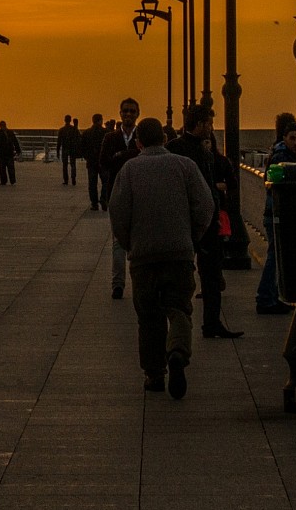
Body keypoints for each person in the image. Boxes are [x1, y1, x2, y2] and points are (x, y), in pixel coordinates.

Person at [110, 115, 214, 397]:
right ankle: (178, 351)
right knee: (179, 308)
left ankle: (154, 374)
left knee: (148, 316)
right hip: (179, 253)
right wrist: (192, 237)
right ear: (165, 139)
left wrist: (128, 242)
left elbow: (117, 212)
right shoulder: (185, 166)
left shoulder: (130, 170)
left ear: (139, 141)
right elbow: (205, 205)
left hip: (144, 256)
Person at [169, 103, 241, 339]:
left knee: (204, 274)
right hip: (197, 222)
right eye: (209, 123)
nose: (211, 128)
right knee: (206, 274)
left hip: (193, 221)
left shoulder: (180, 149)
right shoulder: (187, 151)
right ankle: (207, 323)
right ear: (199, 124)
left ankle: (204, 322)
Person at [254, 113, 296, 316]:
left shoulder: (279, 153)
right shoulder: (282, 158)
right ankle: (265, 298)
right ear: (284, 138)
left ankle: (272, 297)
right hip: (276, 214)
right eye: (293, 138)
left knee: (276, 255)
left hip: (275, 212)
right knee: (274, 256)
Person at [98, 99, 143, 298]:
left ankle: (138, 282)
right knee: (118, 241)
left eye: (132, 111)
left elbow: (142, 159)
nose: (128, 115)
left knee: (137, 241)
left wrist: (120, 156)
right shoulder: (110, 137)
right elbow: (104, 162)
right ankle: (118, 284)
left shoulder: (141, 137)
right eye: (125, 111)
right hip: (116, 194)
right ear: (120, 113)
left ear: (137, 114)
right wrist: (128, 155)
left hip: (139, 194)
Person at [79, 115, 106, 211]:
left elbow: (82, 147)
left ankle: (94, 203)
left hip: (91, 162)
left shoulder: (86, 133)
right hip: (103, 162)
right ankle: (104, 200)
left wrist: (87, 157)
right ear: (100, 121)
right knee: (105, 182)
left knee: (92, 183)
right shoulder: (105, 133)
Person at [57, 116, 80, 187]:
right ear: (70, 120)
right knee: (73, 164)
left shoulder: (61, 130)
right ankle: (73, 179)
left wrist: (57, 151)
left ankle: (66, 180)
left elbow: (59, 142)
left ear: (64, 120)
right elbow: (78, 137)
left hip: (65, 149)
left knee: (65, 165)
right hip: (72, 149)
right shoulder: (74, 129)